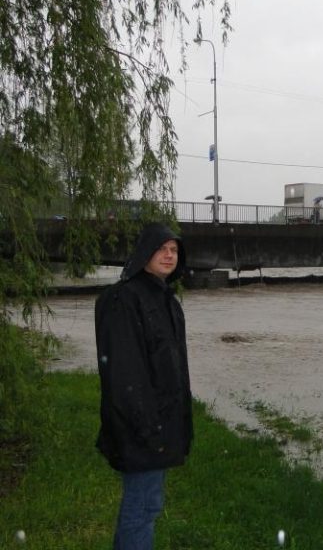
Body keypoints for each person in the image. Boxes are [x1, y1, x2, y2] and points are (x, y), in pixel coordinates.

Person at [95, 223, 192, 550]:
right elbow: (125, 376)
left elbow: (174, 372)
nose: (169, 255)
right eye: (162, 248)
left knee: (147, 505)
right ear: (144, 253)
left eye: (174, 249)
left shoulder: (166, 300)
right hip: (141, 429)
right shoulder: (125, 299)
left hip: (160, 427)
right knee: (140, 508)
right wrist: (149, 430)